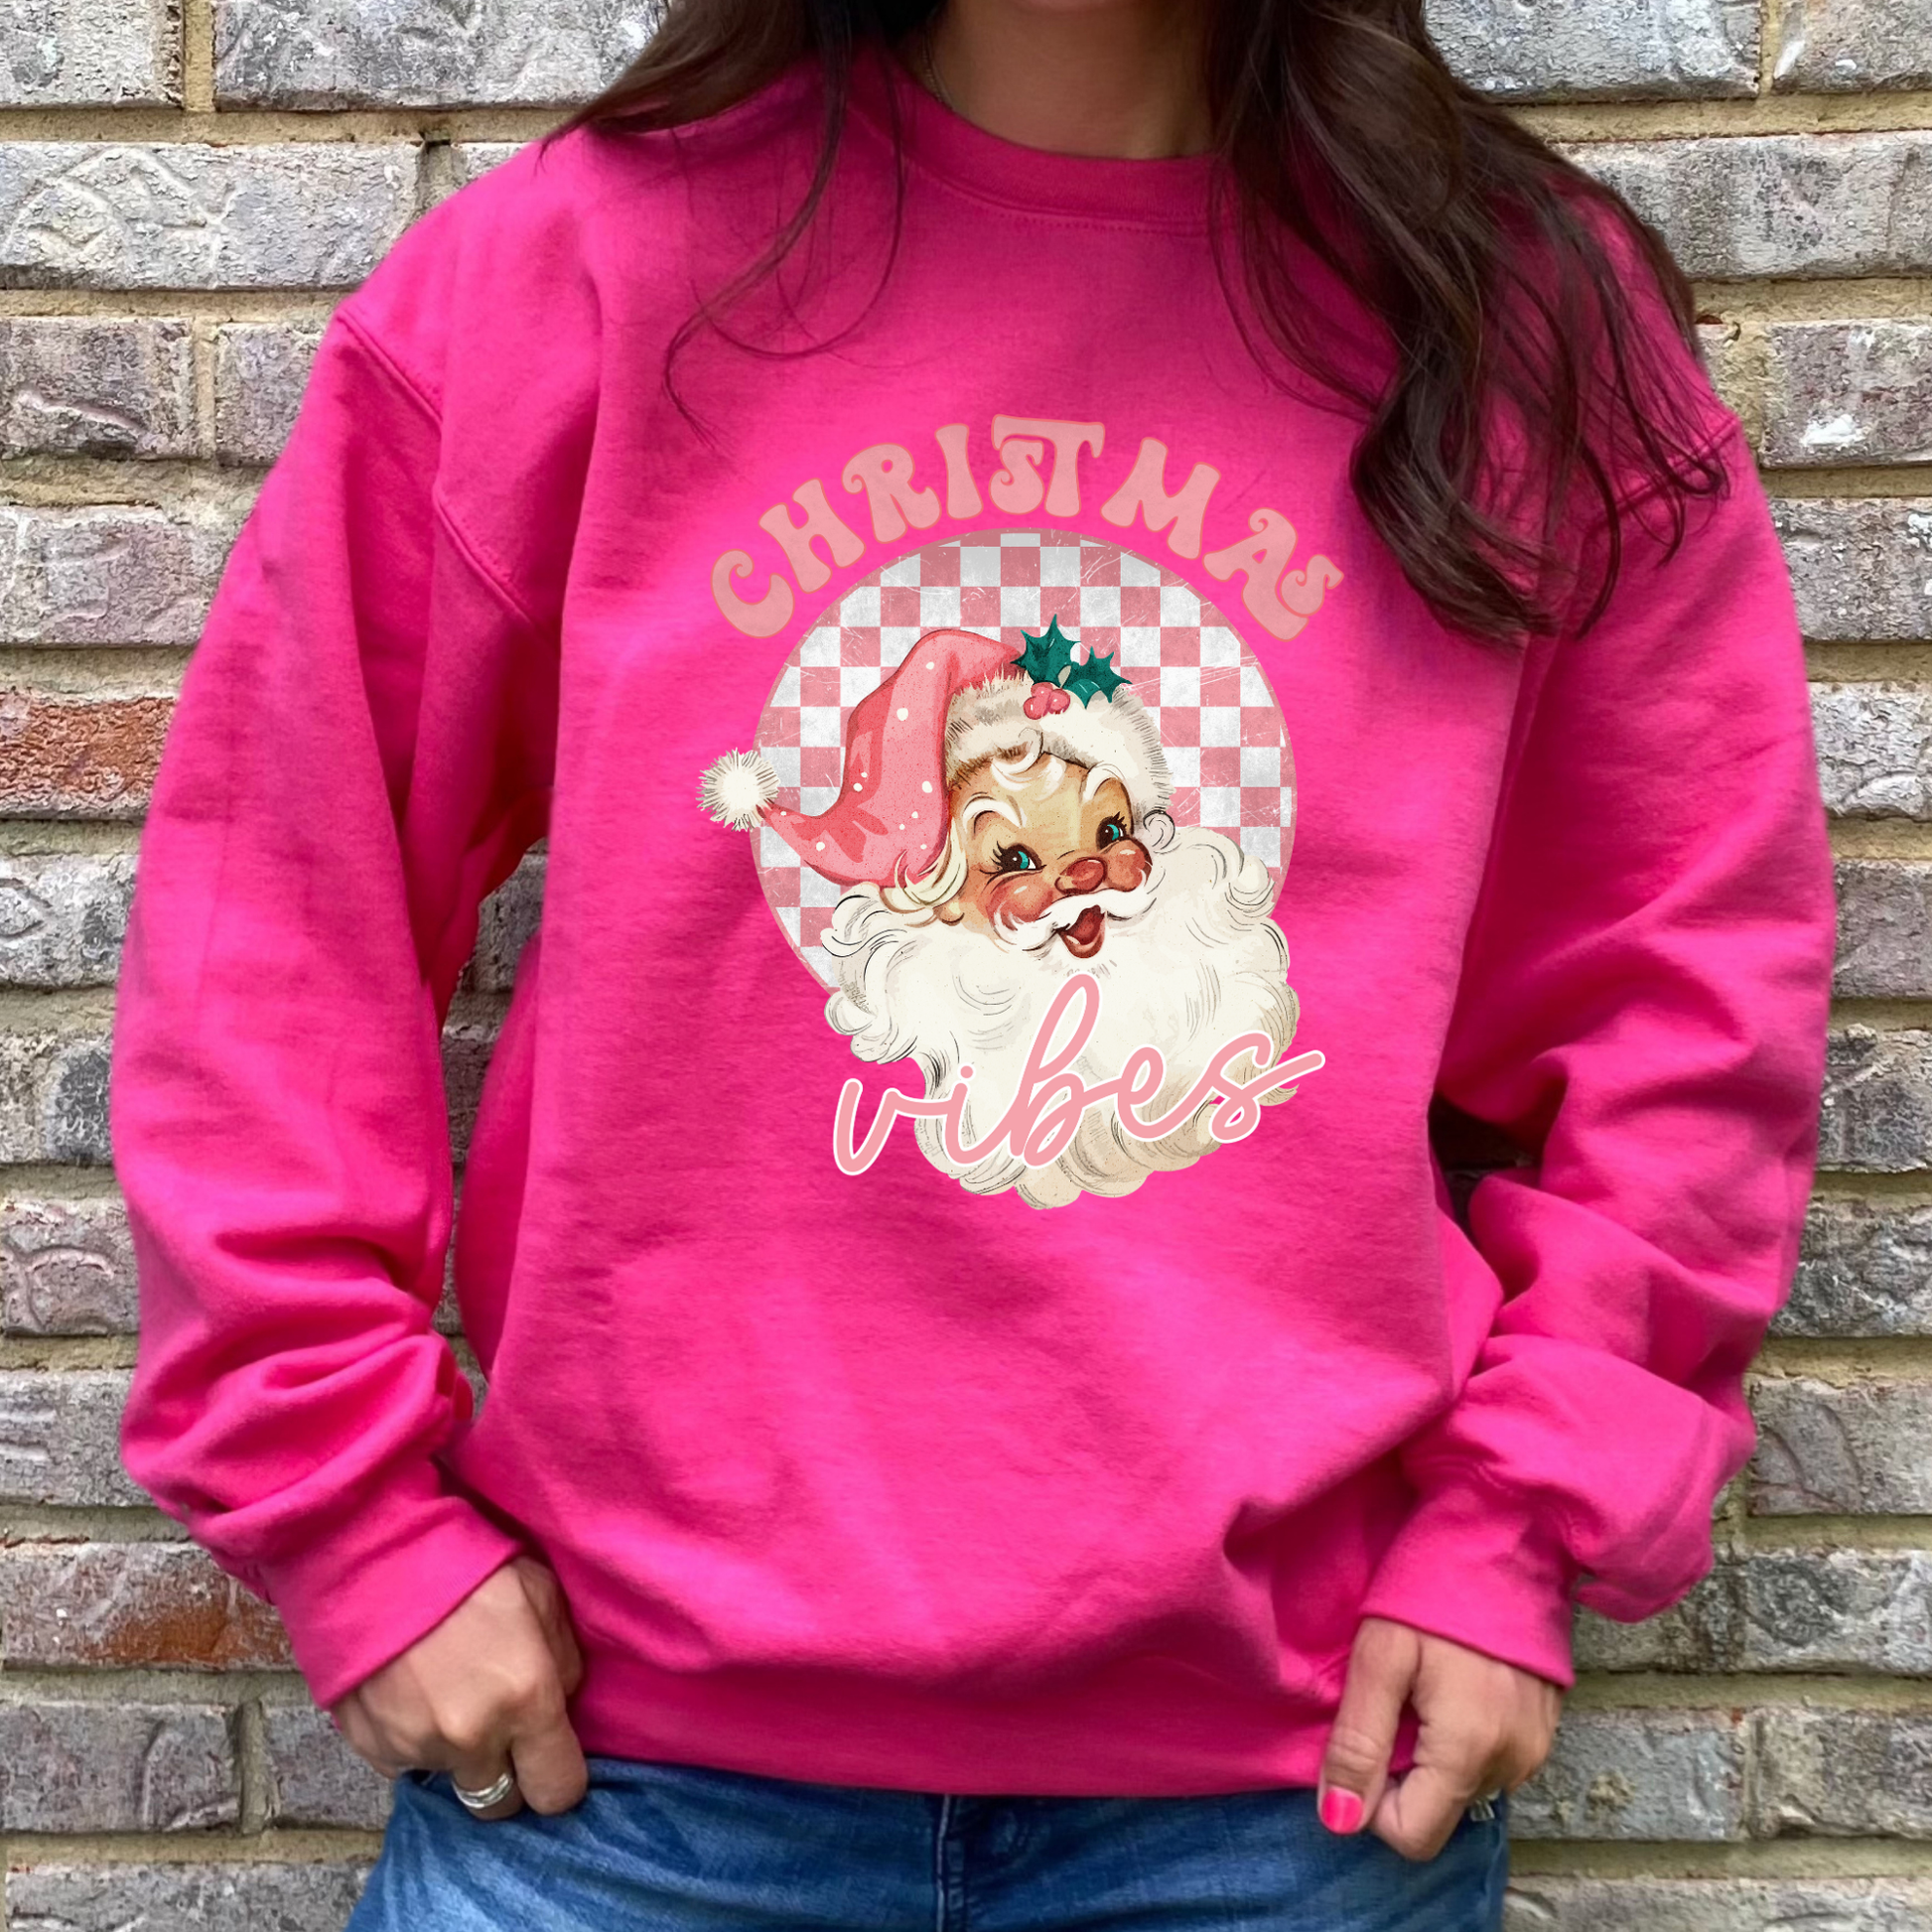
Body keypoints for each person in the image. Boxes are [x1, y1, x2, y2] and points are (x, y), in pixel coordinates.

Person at [105, 0, 1837, 1924]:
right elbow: (275, 922)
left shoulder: (1517, 328)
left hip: (1292, 1802)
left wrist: (1526, 1519)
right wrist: (352, 1518)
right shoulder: (572, 278)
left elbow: (1683, 987)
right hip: (625, 1785)